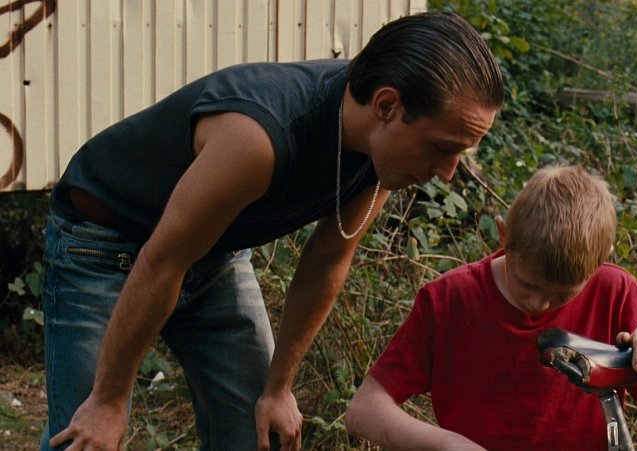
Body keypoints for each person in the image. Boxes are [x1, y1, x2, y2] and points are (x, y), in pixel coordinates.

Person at [40, 12, 504, 451]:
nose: (448, 172)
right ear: (387, 105)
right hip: (104, 245)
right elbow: (163, 260)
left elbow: (328, 259)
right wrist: (108, 400)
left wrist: (278, 388)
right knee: (86, 436)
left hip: (214, 251)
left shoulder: (383, 154)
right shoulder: (258, 137)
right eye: (442, 148)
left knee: (260, 435)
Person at [345, 165, 637, 450]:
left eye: (562, 295)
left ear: (600, 262)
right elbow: (364, 409)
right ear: (503, 235)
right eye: (527, 284)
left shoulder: (615, 292)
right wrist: (448, 444)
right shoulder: (450, 299)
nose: (538, 303)